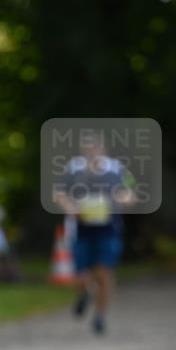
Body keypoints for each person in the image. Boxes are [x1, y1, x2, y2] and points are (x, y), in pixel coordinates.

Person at [54, 135, 135, 334]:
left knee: (104, 272)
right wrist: (70, 207)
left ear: (102, 149)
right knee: (81, 274)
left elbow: (130, 192)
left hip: (108, 228)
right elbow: (59, 193)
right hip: (82, 228)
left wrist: (124, 198)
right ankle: (86, 292)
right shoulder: (73, 168)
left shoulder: (117, 169)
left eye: (95, 149)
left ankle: (100, 315)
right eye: (87, 149)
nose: (91, 153)